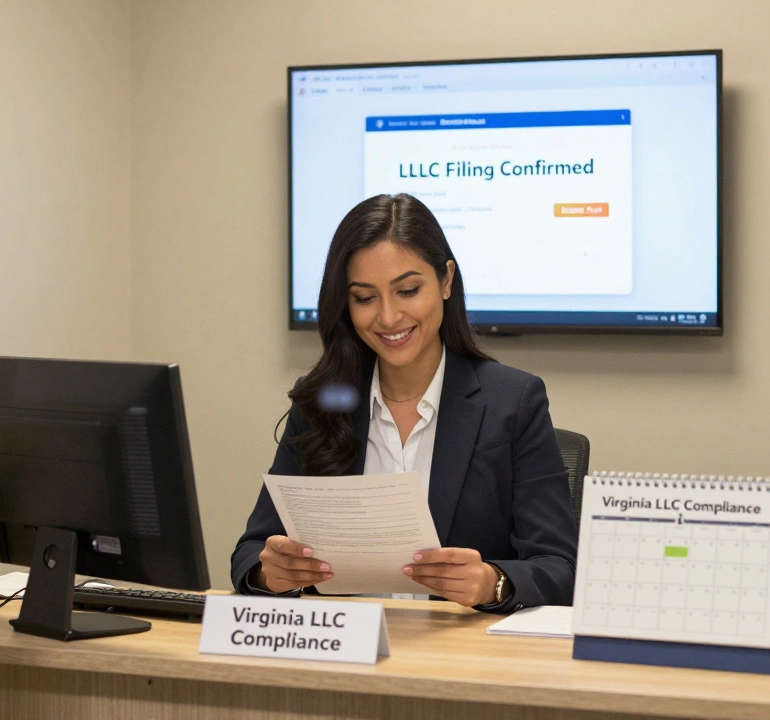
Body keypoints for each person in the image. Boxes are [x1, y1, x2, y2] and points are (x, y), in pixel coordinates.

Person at [230, 193, 576, 612]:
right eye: (364, 297)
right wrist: (270, 574)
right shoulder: (321, 401)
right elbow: (252, 551)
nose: (389, 317)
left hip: (460, 655)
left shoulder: (514, 401)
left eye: (408, 290)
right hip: (340, 650)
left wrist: (493, 583)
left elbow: (560, 568)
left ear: (447, 280)